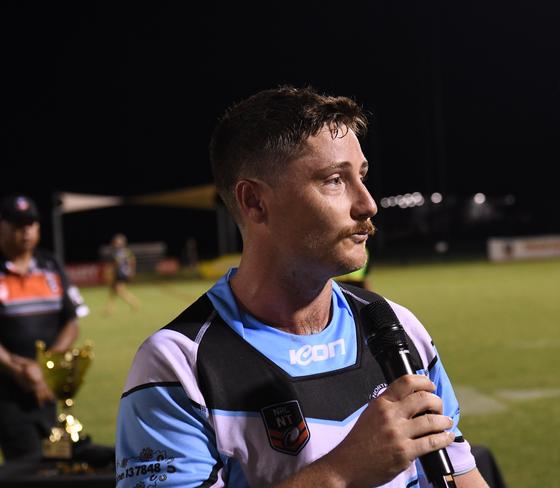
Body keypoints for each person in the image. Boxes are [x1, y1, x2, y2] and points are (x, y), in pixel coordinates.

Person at [115, 87, 488, 487]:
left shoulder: (397, 328)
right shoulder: (179, 364)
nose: (367, 204)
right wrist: (342, 472)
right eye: (333, 180)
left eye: (361, 176)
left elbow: (461, 477)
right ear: (255, 203)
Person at [0, 195, 86, 461]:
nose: (24, 230)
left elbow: (71, 322)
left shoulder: (51, 265)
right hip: (7, 393)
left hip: (47, 391)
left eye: (30, 223)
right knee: (26, 464)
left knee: (56, 461)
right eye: (16, 224)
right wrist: (18, 369)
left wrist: (45, 366)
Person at [104, 233, 139, 314]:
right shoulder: (126, 251)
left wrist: (110, 274)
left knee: (120, 291)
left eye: (116, 242)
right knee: (112, 292)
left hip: (119, 274)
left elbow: (115, 265)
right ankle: (109, 309)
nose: (115, 244)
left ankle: (134, 303)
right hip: (123, 273)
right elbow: (133, 260)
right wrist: (131, 271)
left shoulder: (116, 252)